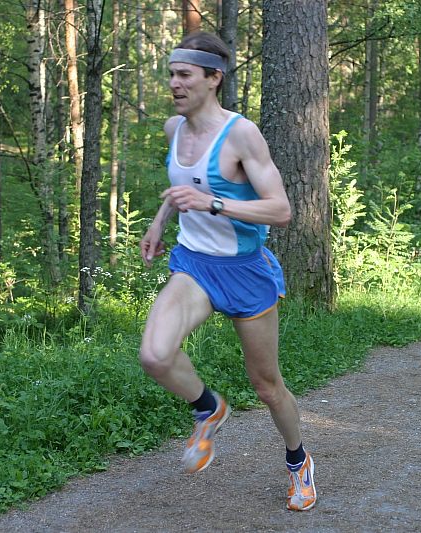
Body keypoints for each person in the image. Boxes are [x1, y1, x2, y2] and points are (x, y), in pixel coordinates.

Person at [138, 31, 316, 512]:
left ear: (214, 78)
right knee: (154, 355)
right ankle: (208, 408)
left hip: (244, 271)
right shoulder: (174, 129)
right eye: (171, 74)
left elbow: (281, 210)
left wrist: (213, 203)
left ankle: (298, 461)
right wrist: (159, 221)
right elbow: (182, 187)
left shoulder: (241, 134)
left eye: (185, 75)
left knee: (267, 385)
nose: (174, 83)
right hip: (194, 264)